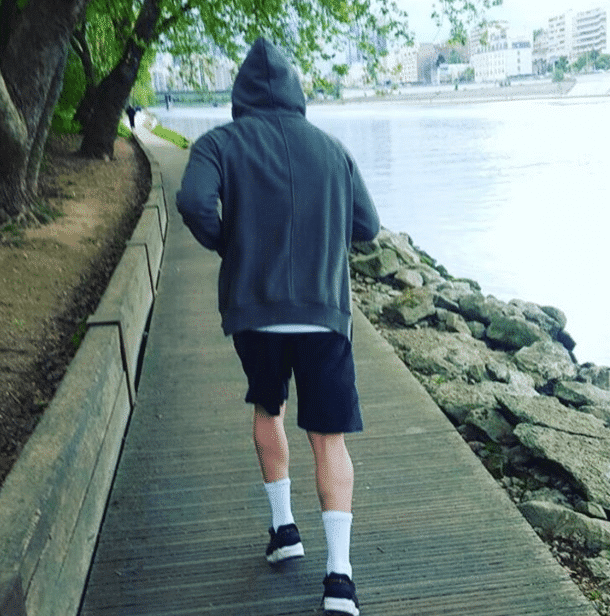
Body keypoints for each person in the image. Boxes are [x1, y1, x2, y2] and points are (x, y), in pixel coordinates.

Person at [176, 38, 379, 616]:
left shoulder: (218, 143)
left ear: (239, 94)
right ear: (296, 92)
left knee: (269, 410)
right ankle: (339, 578)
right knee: (329, 438)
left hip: (256, 313)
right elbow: (367, 226)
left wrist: (232, 245)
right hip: (323, 313)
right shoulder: (332, 149)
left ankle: (284, 530)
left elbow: (193, 202)